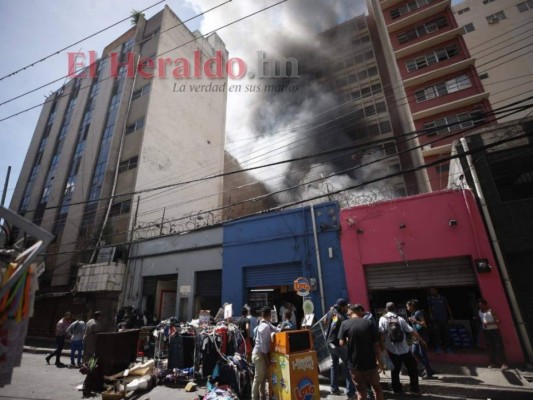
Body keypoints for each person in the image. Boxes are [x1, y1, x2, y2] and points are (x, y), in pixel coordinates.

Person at [379, 302, 426, 397]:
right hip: (404, 350)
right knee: (412, 368)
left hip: (392, 350)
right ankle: (414, 389)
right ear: (395, 309)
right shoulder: (400, 319)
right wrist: (422, 340)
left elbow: (381, 335)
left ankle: (397, 390)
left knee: (395, 371)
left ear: (386, 309)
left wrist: (382, 349)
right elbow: (411, 331)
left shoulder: (382, 319)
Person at [339, 305, 385, 400]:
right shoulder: (369, 322)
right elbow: (376, 346)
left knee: (360, 391)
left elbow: (341, 343)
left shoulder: (344, 324)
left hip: (354, 364)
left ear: (350, 313)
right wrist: (380, 362)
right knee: (377, 388)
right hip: (370, 363)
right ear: (359, 311)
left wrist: (349, 340)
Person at [323, 298, 356, 399]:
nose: (347, 308)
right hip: (338, 344)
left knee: (334, 364)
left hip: (329, 343)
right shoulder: (342, 317)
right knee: (348, 365)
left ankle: (334, 388)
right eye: (346, 306)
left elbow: (324, 321)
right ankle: (350, 392)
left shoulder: (330, 312)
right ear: (342, 307)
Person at [251, 306, 280, 400]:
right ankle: (254, 398)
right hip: (259, 354)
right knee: (258, 378)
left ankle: (263, 397)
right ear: (269, 315)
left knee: (263, 379)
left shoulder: (265, 323)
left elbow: (276, 329)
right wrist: (267, 361)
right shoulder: (264, 327)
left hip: (260, 354)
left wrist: (282, 327)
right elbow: (263, 348)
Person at [406, 299, 436, 379]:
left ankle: (429, 373)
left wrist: (414, 320)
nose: (407, 308)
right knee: (415, 352)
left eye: (408, 306)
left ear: (412, 306)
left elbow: (424, 324)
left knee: (423, 355)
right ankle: (427, 368)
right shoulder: (413, 313)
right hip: (416, 337)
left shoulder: (418, 313)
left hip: (421, 336)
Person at [477, 299, 508, 369]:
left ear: (485, 304)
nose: (480, 306)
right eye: (479, 305)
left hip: (494, 330)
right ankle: (493, 363)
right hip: (486, 331)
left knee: (498, 346)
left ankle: (504, 363)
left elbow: (498, 320)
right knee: (491, 347)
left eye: (481, 304)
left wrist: (489, 323)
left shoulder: (491, 311)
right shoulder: (479, 312)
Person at [428, 287, 453, 353]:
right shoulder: (430, 299)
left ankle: (448, 347)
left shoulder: (442, 298)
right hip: (436, 320)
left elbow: (447, 307)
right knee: (437, 334)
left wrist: (451, 317)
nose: (432, 292)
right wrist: (431, 315)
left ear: (437, 290)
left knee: (446, 333)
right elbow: (430, 308)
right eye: (431, 291)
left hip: (444, 319)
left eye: (433, 290)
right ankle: (438, 348)